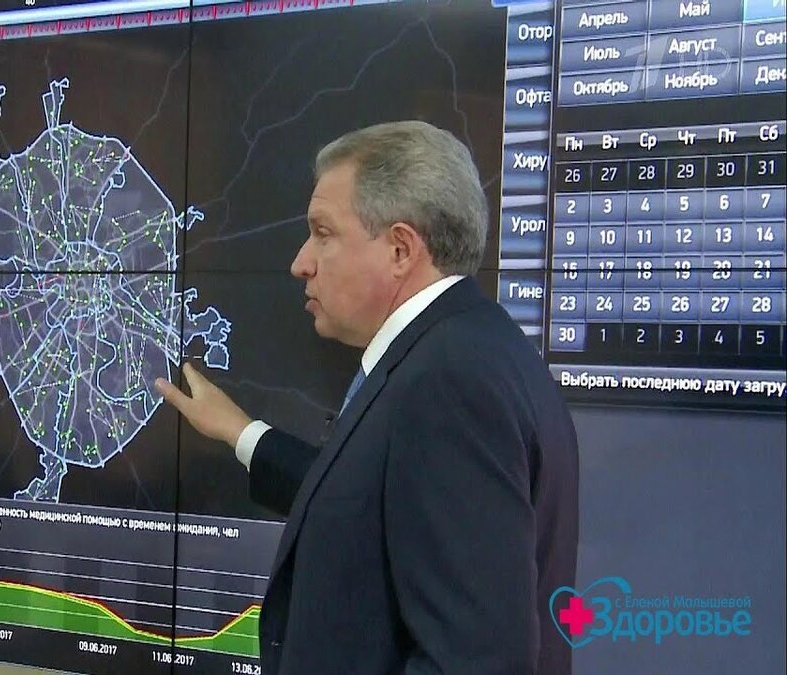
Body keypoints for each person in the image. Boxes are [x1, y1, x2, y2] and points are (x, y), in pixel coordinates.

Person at [155, 121, 579, 675]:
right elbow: (371, 507)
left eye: (323, 233)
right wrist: (243, 434)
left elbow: (476, 659)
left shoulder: (449, 384)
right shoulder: (466, 348)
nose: (301, 262)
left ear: (401, 249)